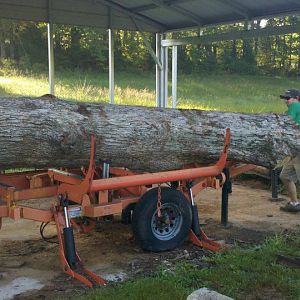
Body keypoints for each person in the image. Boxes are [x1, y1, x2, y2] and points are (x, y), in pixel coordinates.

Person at [279, 89, 300, 212]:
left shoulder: (295, 105)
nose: (286, 101)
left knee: (286, 175)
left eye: (288, 98)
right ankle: (294, 203)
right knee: (285, 175)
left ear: (297, 98)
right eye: (285, 98)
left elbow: (287, 123)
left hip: (298, 149)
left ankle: (294, 203)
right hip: (296, 149)